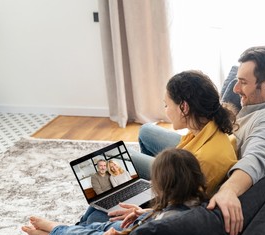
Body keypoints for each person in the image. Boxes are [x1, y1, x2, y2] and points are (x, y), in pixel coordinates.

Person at [138, 46, 265, 235]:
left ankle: (157, 188)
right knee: (146, 130)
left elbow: (258, 157)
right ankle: (155, 189)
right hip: (210, 140)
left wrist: (229, 190)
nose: (235, 89)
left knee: (121, 161)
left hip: (205, 157)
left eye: (243, 82)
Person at [80, 70, 238, 224]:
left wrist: (143, 211)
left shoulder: (202, 160)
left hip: (176, 193)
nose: (165, 111)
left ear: (184, 107)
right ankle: (143, 189)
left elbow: (180, 210)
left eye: (166, 105)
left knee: (122, 158)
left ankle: (147, 191)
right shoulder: (209, 127)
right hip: (188, 159)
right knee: (146, 130)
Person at [22, 148, 208, 235]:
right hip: (147, 228)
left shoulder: (165, 225)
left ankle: (56, 230)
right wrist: (145, 212)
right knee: (104, 224)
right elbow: (172, 214)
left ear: (162, 184)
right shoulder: (199, 202)